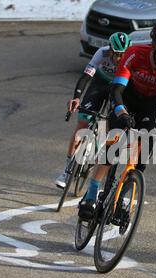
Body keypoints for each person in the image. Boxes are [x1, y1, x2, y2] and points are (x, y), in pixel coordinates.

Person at [78, 20, 156, 219]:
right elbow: (116, 89)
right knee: (115, 143)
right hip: (125, 98)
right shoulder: (135, 54)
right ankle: (92, 192)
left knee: (143, 150)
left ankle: (124, 195)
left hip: (149, 104)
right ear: (155, 47)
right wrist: (121, 112)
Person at [55, 32, 132, 188]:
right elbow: (86, 77)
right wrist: (77, 98)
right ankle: (67, 170)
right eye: (116, 54)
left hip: (117, 88)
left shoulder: (130, 59)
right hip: (99, 84)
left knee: (111, 126)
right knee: (82, 124)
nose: (118, 58)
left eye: (122, 54)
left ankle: (100, 153)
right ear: (110, 49)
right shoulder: (101, 53)